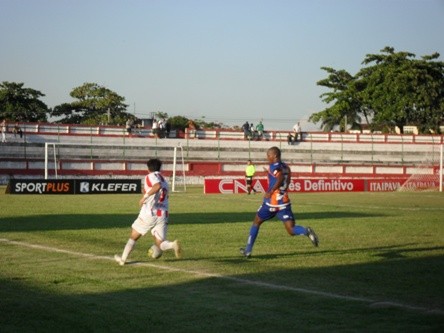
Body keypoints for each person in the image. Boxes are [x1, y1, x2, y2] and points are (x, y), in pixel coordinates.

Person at [240, 146, 319, 258]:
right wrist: (269, 174)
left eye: (269, 155)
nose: (267, 157)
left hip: (271, 202)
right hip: (284, 201)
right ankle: (306, 231)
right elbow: (283, 178)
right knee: (291, 230)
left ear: (275, 156)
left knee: (256, 222)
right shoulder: (286, 167)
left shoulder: (274, 166)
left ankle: (248, 250)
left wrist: (271, 191)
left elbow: (280, 177)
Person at [114, 158, 182, 265]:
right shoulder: (164, 180)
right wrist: (146, 192)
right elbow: (163, 193)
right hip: (163, 214)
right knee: (160, 243)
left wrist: (144, 197)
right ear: (160, 168)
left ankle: (122, 260)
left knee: (133, 237)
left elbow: (157, 186)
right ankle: (172, 245)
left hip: (150, 213)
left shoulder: (150, 176)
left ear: (148, 168)